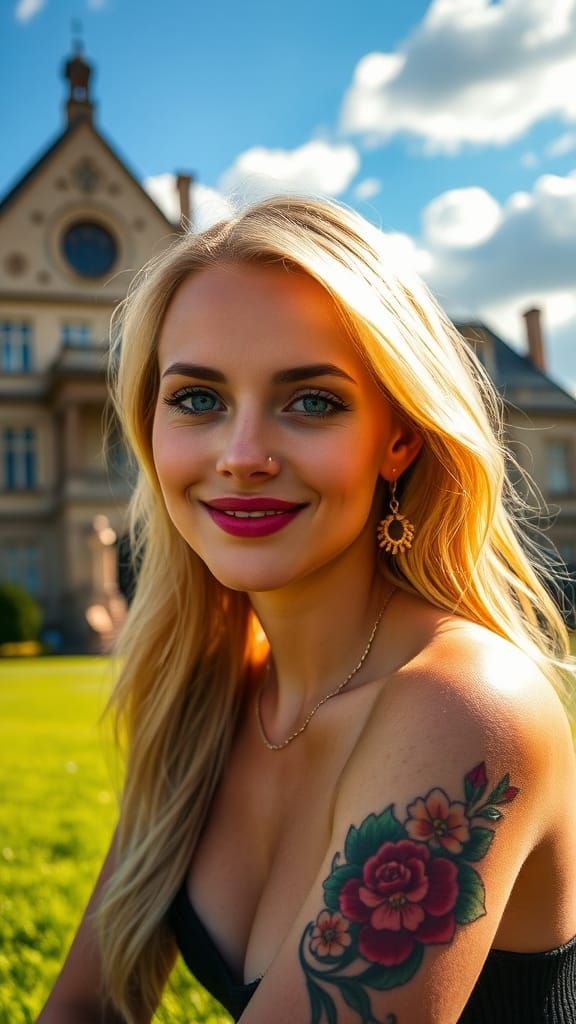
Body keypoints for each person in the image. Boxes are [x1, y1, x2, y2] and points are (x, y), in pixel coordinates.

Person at [37, 195, 576, 1024]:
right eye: (197, 399)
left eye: (313, 401)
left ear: (398, 438)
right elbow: (85, 1008)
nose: (242, 455)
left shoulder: (465, 705)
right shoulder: (206, 699)